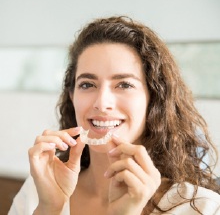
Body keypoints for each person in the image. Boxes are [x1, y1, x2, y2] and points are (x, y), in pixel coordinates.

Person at [9, 16, 220, 215]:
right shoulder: (38, 191)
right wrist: (49, 209)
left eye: (124, 84)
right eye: (87, 84)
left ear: (154, 98)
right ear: (72, 95)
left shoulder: (202, 207)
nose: (102, 103)